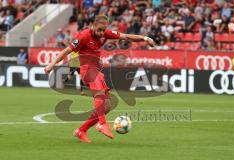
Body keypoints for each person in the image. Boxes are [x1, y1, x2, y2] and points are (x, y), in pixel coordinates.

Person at [44, 15, 155, 143]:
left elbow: (126, 36)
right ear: (93, 25)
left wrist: (145, 38)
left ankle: (81, 130)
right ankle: (102, 123)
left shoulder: (105, 33)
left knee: (107, 106)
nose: (102, 33)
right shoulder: (84, 36)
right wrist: (51, 65)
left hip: (96, 70)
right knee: (100, 95)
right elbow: (66, 51)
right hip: (86, 69)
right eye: (100, 30)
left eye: (104, 30)